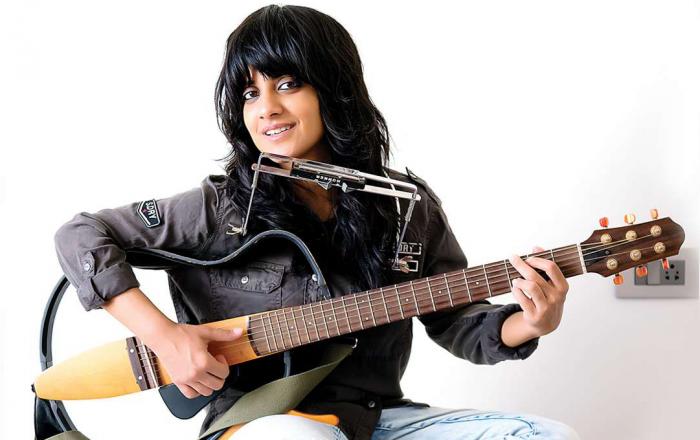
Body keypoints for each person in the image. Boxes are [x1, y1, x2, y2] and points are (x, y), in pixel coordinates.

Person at [53, 4, 580, 439]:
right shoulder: (222, 208)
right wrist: (167, 337)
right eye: (250, 92)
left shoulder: (404, 205)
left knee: (546, 435)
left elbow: (456, 318)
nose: (266, 108)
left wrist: (531, 321)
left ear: (334, 88)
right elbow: (82, 234)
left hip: (373, 418)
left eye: (287, 84)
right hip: (261, 424)